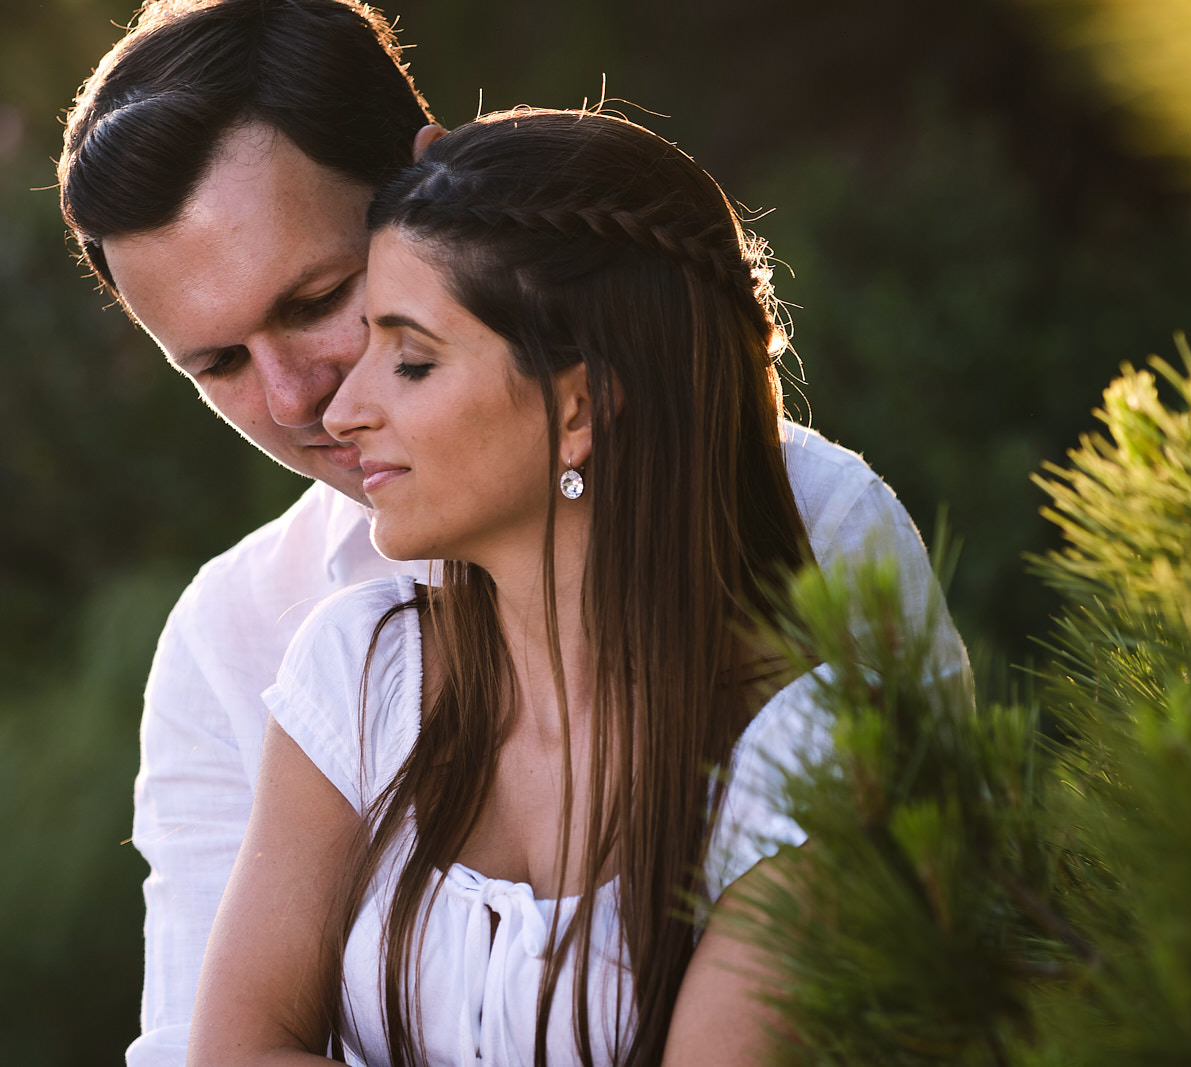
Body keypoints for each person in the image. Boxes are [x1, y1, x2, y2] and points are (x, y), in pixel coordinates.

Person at [55, 2, 964, 1064]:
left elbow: (934, 988)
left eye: (320, 298)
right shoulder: (245, 643)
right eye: (218, 366)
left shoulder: (816, 532)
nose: (300, 397)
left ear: (434, 187)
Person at [189, 103, 849, 1067]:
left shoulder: (802, 758)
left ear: (578, 408)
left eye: (411, 360)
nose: (343, 406)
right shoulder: (360, 675)